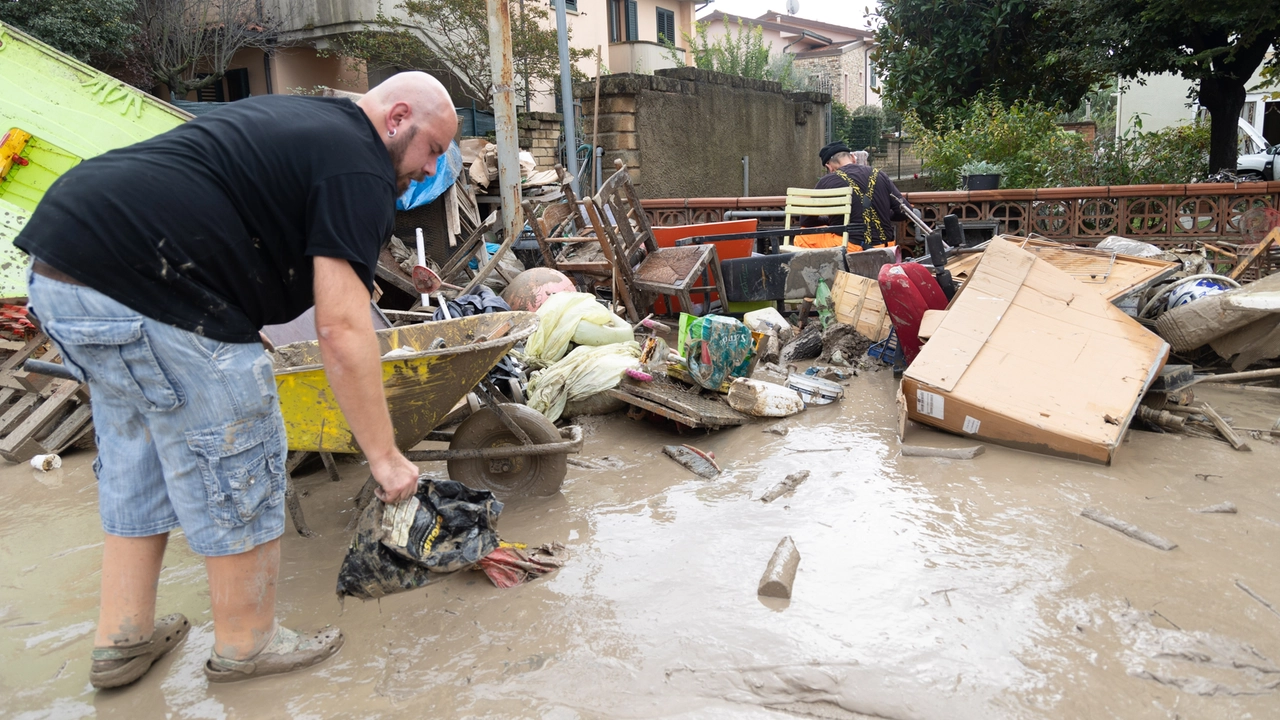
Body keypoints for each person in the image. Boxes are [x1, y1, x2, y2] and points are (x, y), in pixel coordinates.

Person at [16, 71, 457, 687]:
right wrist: (384, 458)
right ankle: (248, 643)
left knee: (135, 457)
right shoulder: (359, 165)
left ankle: (122, 640)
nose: (428, 169)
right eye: (432, 148)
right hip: (154, 282)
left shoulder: (300, 120)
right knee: (240, 452)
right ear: (396, 117)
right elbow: (342, 328)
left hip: (61, 272)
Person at [797, 141, 912, 252]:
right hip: (885, 246)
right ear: (852, 157)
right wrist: (882, 213)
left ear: (829, 166)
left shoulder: (827, 181)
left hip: (851, 247)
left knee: (801, 237)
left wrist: (829, 221)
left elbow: (806, 221)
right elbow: (905, 212)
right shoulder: (879, 174)